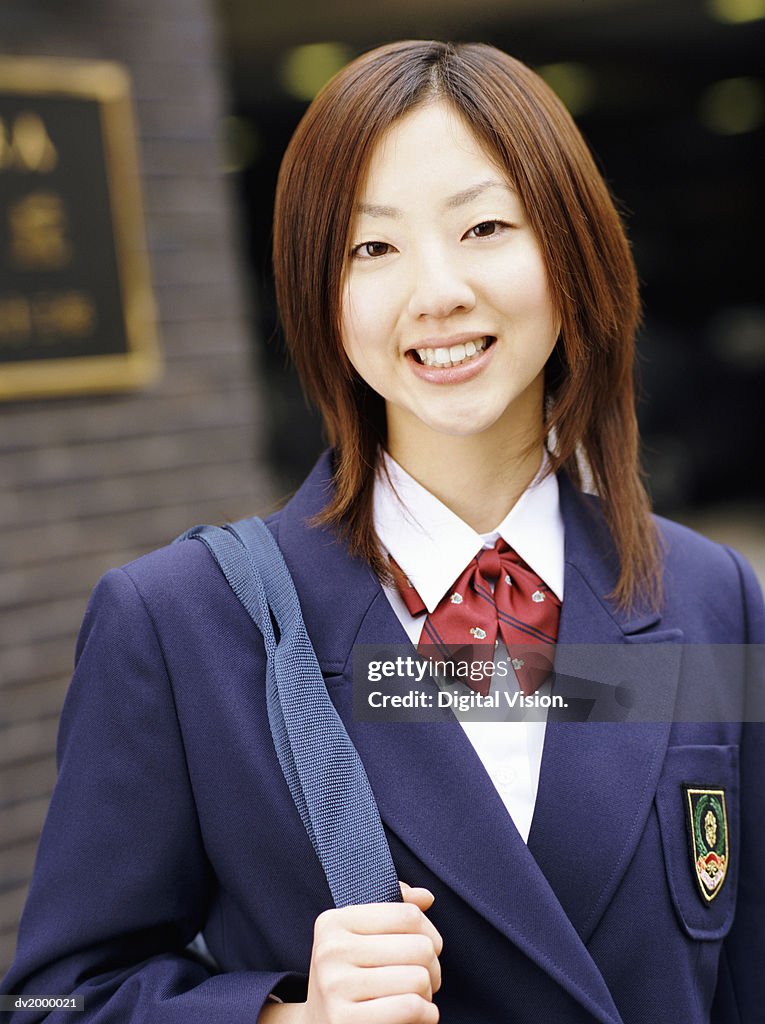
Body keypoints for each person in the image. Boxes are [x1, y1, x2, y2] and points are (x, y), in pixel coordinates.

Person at [2, 39, 763, 1024]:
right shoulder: (184, 626)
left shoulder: (710, 597)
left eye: (485, 225)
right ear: (322, 293)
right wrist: (286, 1016)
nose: (436, 290)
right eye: (373, 246)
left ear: (572, 255)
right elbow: (53, 1000)